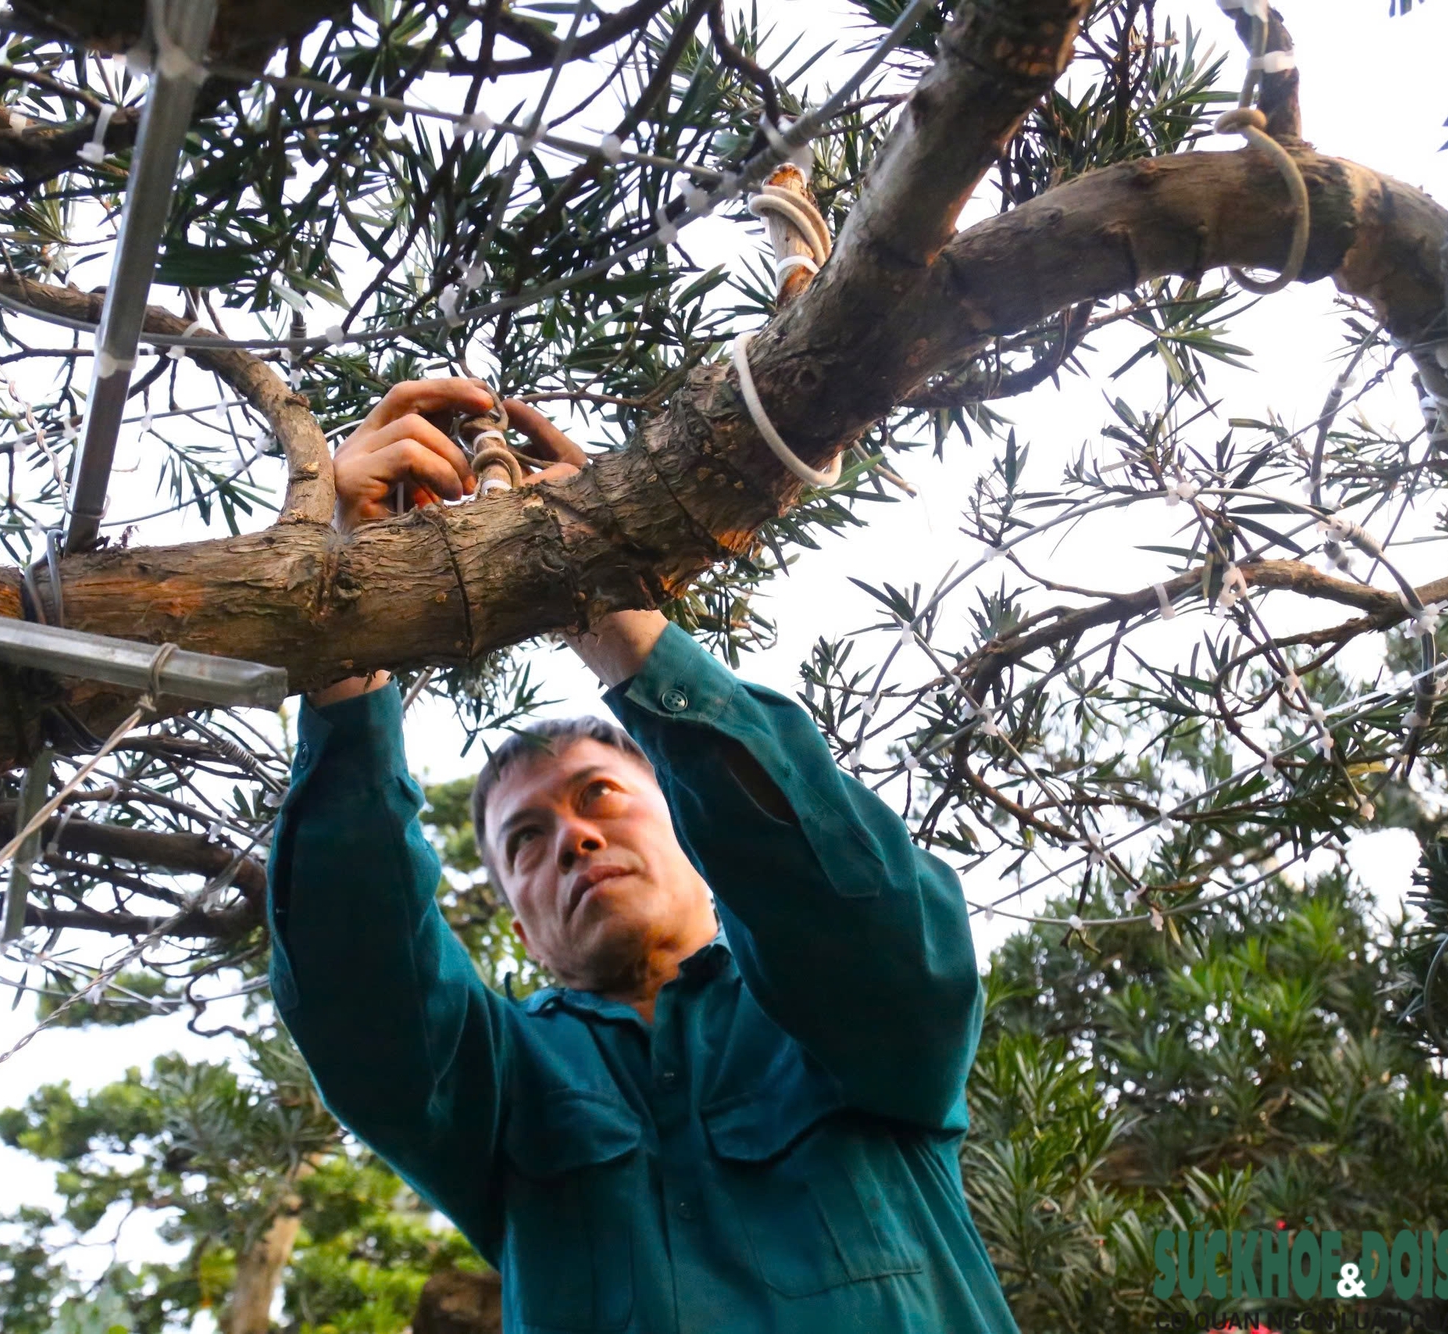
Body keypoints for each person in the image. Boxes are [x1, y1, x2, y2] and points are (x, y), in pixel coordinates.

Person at [267, 379, 1018, 1333]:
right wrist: (351, 600)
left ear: (691, 829)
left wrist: (604, 596)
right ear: (519, 920)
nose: (574, 838)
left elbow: (878, 929)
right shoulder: (504, 1085)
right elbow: (357, 984)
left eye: (601, 797)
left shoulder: (833, 1023)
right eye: (525, 842)